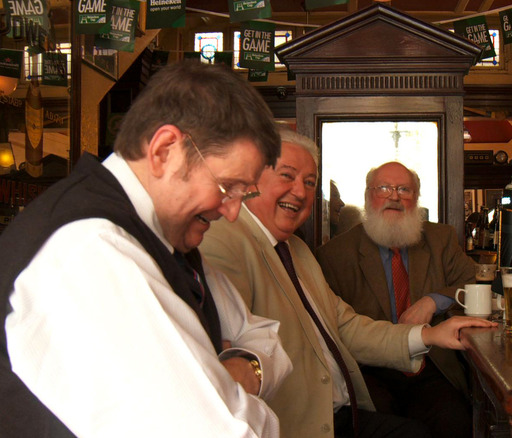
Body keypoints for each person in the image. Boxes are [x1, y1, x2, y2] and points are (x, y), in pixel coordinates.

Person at [0, 61, 293, 438]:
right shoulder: (93, 248)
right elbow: (220, 431)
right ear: (164, 150)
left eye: (242, 193)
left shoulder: (167, 242)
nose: (233, 212)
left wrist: (238, 374)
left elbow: (265, 338)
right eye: (227, 187)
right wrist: (228, 391)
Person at [200, 130, 494, 438]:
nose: (299, 191)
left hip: (379, 388)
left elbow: (345, 326)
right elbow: (221, 362)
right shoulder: (227, 239)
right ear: (252, 180)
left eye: (309, 182)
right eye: (287, 175)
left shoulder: (297, 250)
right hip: (307, 414)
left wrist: (429, 331)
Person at [314, 161, 476, 438]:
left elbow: (474, 282)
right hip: (371, 369)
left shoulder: (441, 238)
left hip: (430, 363)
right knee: (387, 424)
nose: (394, 197)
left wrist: (433, 301)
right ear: (368, 197)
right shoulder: (335, 255)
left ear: (416, 198)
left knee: (454, 419)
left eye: (404, 190)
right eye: (384, 188)